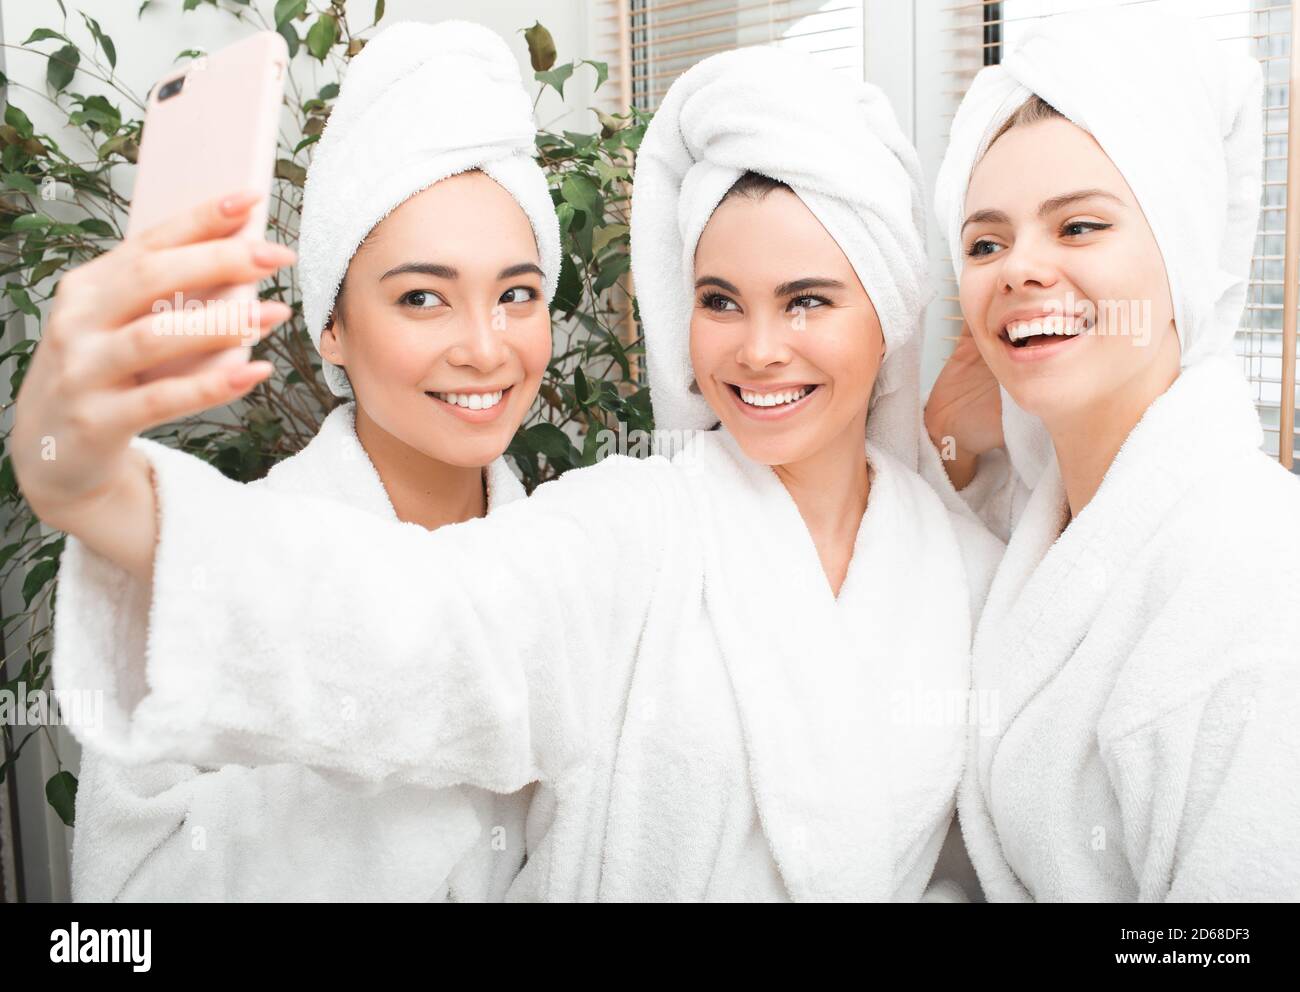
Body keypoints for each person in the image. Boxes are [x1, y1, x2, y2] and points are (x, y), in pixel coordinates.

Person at [20, 44, 1000, 901]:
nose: (756, 349)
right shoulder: (631, 521)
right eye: (718, 299)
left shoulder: (960, 566)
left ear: (892, 310)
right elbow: (442, 628)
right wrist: (106, 497)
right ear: (332, 322)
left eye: (808, 300)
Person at [52, 19, 559, 902]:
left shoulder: (569, 560)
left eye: (518, 293)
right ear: (332, 322)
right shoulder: (213, 582)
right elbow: (118, 904)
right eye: (423, 298)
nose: (486, 348)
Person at [920, 8, 1300, 900]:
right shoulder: (1044, 528)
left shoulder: (1257, 582)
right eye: (985, 242)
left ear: (1183, 251)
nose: (1019, 269)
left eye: (1080, 227)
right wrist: (945, 438)